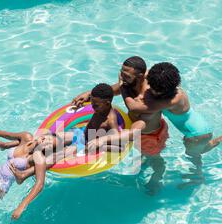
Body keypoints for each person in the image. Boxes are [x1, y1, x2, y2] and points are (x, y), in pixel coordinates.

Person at [72, 56, 169, 194]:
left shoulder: (146, 99)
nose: (121, 78)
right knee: (141, 155)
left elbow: (132, 133)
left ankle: (156, 178)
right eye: (121, 73)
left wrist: (102, 139)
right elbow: (115, 89)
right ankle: (143, 162)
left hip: (150, 136)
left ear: (140, 76)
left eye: (126, 76)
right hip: (135, 129)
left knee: (154, 158)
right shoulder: (129, 83)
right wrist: (89, 94)